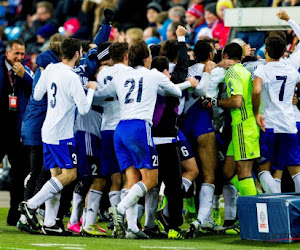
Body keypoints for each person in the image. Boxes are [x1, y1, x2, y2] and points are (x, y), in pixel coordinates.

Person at [95, 41, 186, 239]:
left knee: (132, 178)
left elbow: (102, 96)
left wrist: (90, 88)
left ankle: (133, 228)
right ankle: (119, 208)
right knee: (151, 179)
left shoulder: (120, 76)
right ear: (147, 58)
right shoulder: (153, 75)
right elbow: (177, 92)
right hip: (139, 128)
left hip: (120, 129)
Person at [19, 38, 98, 235]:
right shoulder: (71, 77)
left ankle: (50, 223)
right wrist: (90, 90)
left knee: (56, 177)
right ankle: (31, 205)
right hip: (62, 134)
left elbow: (37, 96)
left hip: (47, 131)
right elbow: (84, 109)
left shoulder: (51, 69)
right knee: (70, 174)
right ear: (78, 54)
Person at [18, 39, 64, 233]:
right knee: (39, 173)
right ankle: (27, 213)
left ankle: (31, 214)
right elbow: (40, 96)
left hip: (34, 125)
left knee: (39, 173)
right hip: (38, 127)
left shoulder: (44, 68)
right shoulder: (49, 71)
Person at [253, 36, 300, 194]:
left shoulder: (262, 69)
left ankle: (277, 205)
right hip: (288, 124)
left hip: (269, 125)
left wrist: (256, 112)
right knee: (295, 169)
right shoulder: (292, 70)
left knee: (263, 169)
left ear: (266, 51)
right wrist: (295, 97)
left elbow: (257, 90)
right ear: (283, 52)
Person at [0, 39, 33, 226]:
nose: (20, 57)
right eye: (16, 54)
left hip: (16, 130)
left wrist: (23, 76)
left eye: (22, 54)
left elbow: (36, 91)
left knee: (19, 173)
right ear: (7, 53)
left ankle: (14, 216)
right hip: (0, 128)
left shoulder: (25, 71)